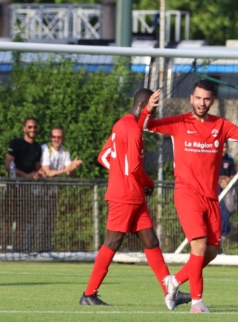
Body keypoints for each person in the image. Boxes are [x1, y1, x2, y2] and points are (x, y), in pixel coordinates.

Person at [139, 81, 238, 313]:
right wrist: (148, 109)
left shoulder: (220, 125)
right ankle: (197, 302)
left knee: (211, 251)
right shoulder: (179, 122)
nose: (202, 103)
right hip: (187, 195)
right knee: (199, 247)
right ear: (191, 99)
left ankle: (173, 281)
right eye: (198, 98)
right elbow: (145, 126)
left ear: (211, 101)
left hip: (211, 198)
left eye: (206, 99)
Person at [80, 88, 188, 310]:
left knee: (151, 240)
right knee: (112, 242)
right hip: (126, 196)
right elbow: (135, 167)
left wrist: (121, 173)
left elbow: (104, 156)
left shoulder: (123, 124)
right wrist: (147, 182)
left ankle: (170, 292)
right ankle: (89, 294)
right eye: (152, 108)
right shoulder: (132, 129)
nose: (154, 114)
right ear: (144, 104)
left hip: (133, 195)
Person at [37, 127, 83, 251]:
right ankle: (33, 248)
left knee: (50, 222)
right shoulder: (45, 149)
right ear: (50, 138)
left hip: (52, 192)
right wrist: (67, 169)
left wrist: (73, 167)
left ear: (63, 138)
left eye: (59, 137)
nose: (56, 140)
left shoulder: (65, 152)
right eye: (54, 137)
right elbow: (47, 172)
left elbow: (69, 174)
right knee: (38, 222)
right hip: (39, 192)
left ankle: (46, 248)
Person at [3, 118, 43, 252]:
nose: (32, 130)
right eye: (29, 127)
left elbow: (38, 167)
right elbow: (8, 165)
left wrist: (39, 173)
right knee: (8, 219)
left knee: (22, 221)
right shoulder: (16, 143)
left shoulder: (38, 147)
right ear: (24, 128)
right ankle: (3, 251)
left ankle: (16, 250)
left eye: (34, 127)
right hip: (14, 186)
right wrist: (25, 176)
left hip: (27, 189)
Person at [219, 140, 237, 238]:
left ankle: (222, 242)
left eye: (225, 147)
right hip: (215, 189)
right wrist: (222, 179)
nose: (223, 150)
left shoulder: (229, 159)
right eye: (222, 147)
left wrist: (227, 180)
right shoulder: (213, 157)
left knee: (225, 215)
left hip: (226, 190)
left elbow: (233, 175)